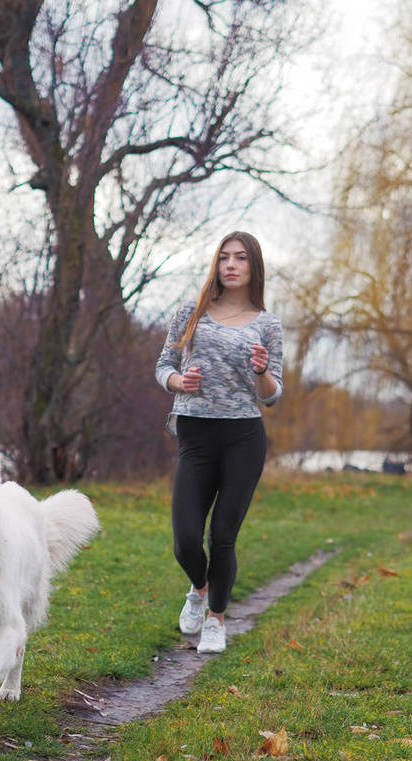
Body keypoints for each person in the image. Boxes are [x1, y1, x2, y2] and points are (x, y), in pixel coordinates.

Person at [155, 231, 283, 653]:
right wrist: (179, 382)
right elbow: (164, 365)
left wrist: (263, 370)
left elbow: (271, 394)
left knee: (222, 535)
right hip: (195, 431)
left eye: (241, 258)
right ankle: (199, 586)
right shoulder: (190, 313)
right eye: (224, 257)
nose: (231, 264)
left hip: (243, 436)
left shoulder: (267, 324)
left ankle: (216, 619)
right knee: (186, 539)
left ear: (253, 268)